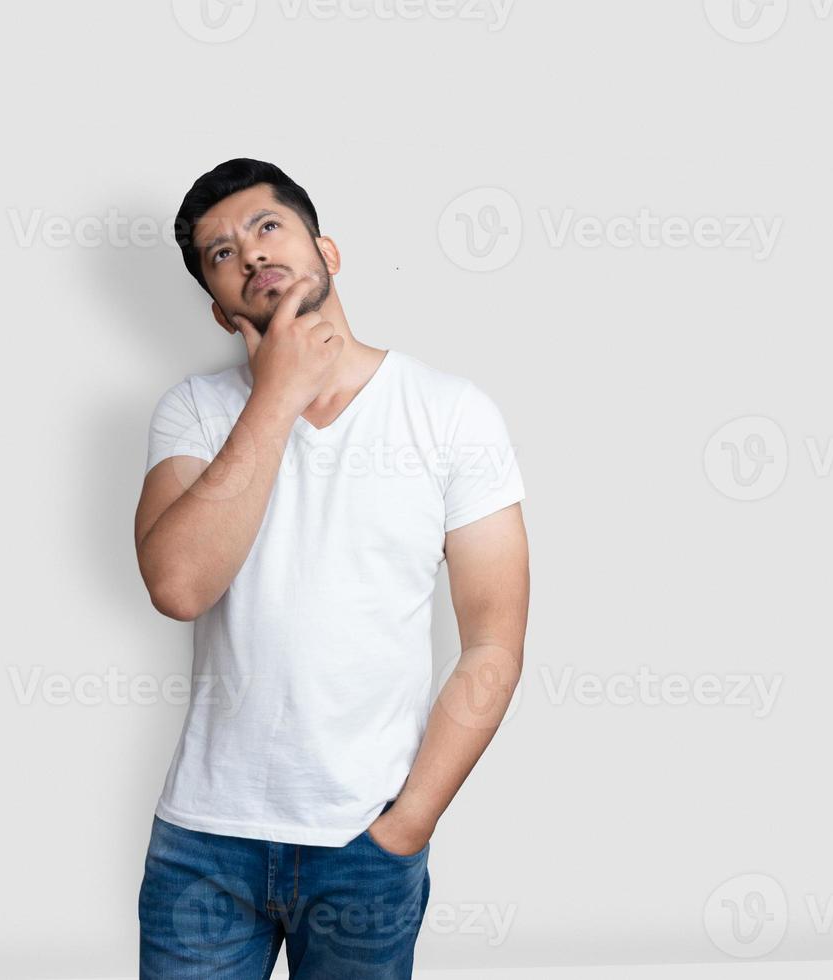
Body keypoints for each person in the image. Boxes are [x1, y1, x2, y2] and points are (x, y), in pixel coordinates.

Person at [132, 158, 530, 978]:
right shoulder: (195, 411)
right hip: (205, 847)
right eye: (221, 253)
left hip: (366, 846)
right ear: (218, 308)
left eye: (266, 227)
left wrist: (409, 823)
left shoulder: (451, 413)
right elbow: (178, 586)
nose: (249, 254)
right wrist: (276, 393)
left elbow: (494, 639)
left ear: (329, 252)